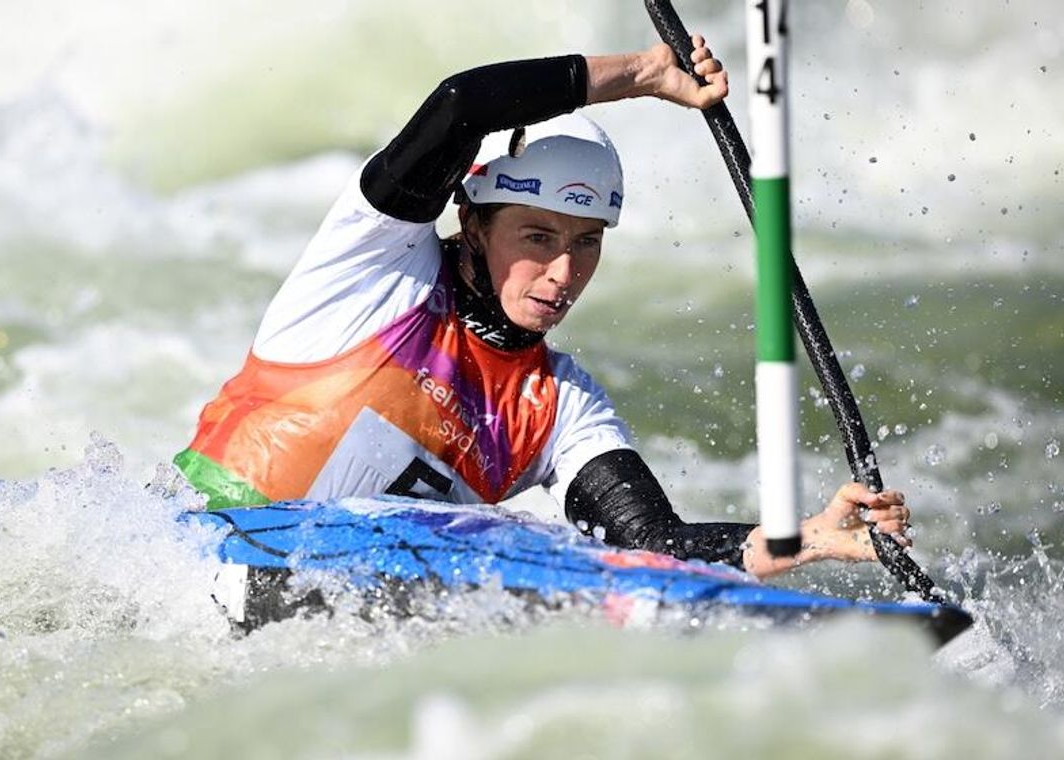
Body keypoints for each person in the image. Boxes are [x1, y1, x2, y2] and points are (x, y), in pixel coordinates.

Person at [174, 36, 913, 579]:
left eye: (587, 242)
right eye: (537, 236)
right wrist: (645, 74)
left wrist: (801, 538)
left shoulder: (557, 404)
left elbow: (648, 543)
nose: (564, 272)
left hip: (332, 611)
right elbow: (462, 105)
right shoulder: (371, 268)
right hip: (189, 558)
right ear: (474, 223)